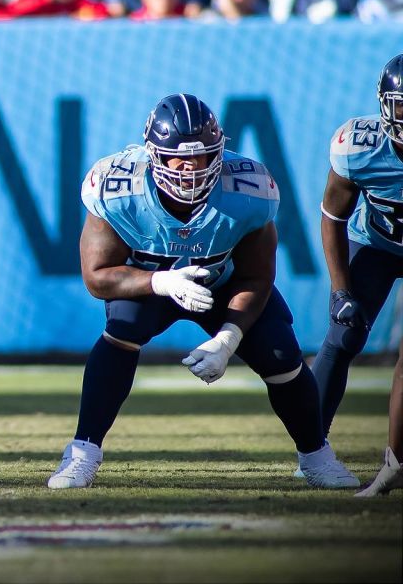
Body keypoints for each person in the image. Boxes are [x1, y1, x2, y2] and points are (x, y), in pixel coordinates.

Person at [47, 94, 358, 491]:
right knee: (122, 330)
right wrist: (161, 282)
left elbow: (257, 278)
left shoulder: (249, 189)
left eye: (202, 157)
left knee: (280, 352)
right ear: (152, 154)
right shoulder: (116, 187)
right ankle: (82, 451)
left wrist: (228, 339)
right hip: (148, 283)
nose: (190, 169)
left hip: (223, 283)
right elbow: (97, 277)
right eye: (178, 159)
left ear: (220, 152)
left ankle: (316, 456)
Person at [313, 55, 403, 497]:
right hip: (376, 246)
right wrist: (340, 289)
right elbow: (332, 215)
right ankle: (312, 448)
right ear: (385, 106)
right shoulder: (360, 146)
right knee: (343, 335)